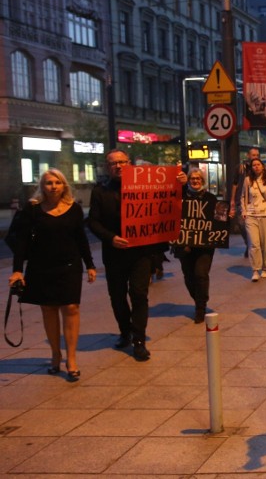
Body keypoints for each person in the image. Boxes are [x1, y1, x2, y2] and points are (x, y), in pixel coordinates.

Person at [88, 149, 186, 361]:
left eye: (122, 162)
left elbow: (170, 197)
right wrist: (110, 237)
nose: (119, 166)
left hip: (141, 252)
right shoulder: (99, 192)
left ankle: (139, 340)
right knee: (117, 296)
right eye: (114, 163)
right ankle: (125, 331)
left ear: (129, 163)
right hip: (114, 253)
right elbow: (93, 222)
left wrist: (181, 182)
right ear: (108, 167)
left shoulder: (148, 185)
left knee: (139, 294)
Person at [8, 169, 96, 381]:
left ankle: (71, 358)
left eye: (57, 182)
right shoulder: (33, 209)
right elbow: (22, 243)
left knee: (71, 307)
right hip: (41, 266)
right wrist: (17, 270)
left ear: (64, 185)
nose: (53, 186)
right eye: (48, 183)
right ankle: (55, 354)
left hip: (69, 265)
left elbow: (81, 239)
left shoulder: (74, 209)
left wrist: (90, 265)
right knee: (48, 309)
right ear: (42, 186)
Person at [174, 168, 218, 324]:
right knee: (189, 276)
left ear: (203, 181)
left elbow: (218, 219)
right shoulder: (180, 198)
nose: (195, 181)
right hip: (184, 244)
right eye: (192, 178)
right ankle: (198, 298)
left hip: (204, 245)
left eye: (198, 178)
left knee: (201, 274)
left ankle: (201, 306)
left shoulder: (211, 198)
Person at [240, 158, 266, 281]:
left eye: (258, 164)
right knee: (254, 244)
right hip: (251, 215)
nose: (256, 167)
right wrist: (244, 211)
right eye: (253, 165)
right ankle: (255, 270)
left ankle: (265, 268)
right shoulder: (247, 180)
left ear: (262, 166)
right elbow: (243, 196)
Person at [230, 147, 261, 257]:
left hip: (254, 201)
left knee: (253, 225)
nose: (256, 157)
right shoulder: (241, 168)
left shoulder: (259, 168)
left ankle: (253, 246)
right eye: (253, 155)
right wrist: (233, 200)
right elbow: (235, 184)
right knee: (242, 225)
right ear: (248, 156)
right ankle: (249, 243)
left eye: (257, 155)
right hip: (241, 200)